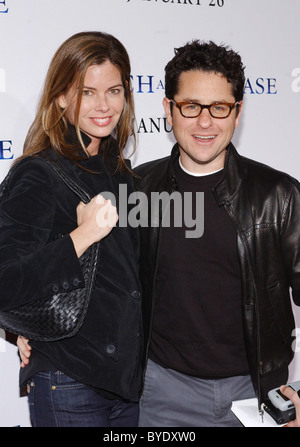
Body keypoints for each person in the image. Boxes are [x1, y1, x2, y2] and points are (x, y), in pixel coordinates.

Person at [133, 40, 300, 427]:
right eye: (191, 106)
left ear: (237, 112)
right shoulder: (138, 188)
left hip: (258, 397)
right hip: (160, 396)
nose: (205, 122)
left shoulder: (279, 195)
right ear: (168, 109)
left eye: (219, 107)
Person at [1, 31, 143, 427]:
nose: (103, 105)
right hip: (69, 379)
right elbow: (6, 281)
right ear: (61, 96)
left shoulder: (123, 176)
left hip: (129, 384)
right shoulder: (39, 173)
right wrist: (82, 237)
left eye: (114, 91)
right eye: (88, 91)